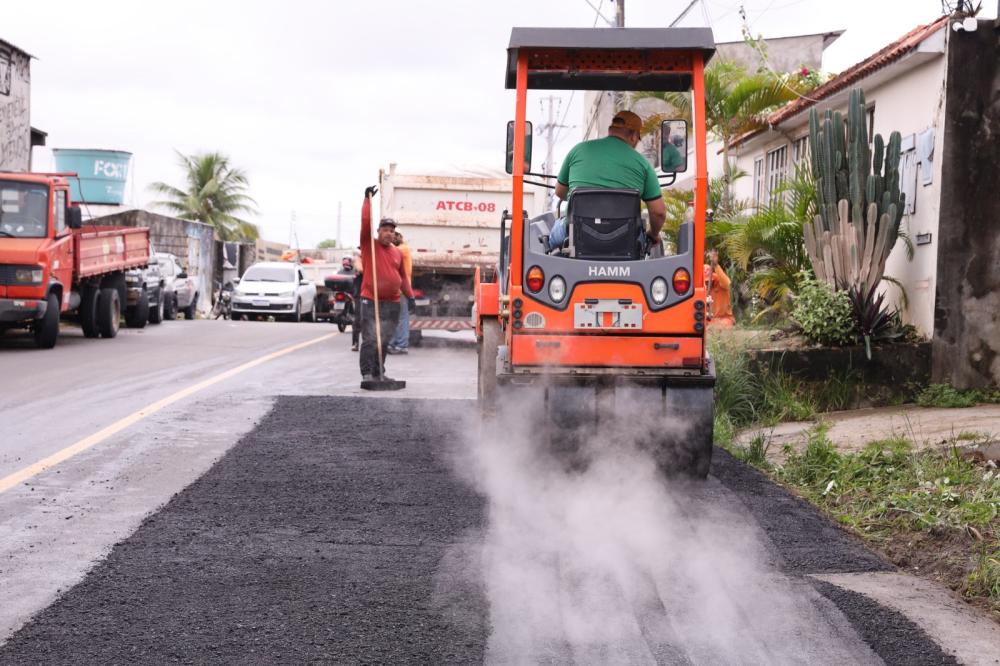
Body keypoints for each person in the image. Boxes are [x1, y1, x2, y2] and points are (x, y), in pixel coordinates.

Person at [547, 110, 667, 251]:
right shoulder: (643, 165)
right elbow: (658, 213)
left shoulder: (578, 150)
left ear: (611, 130)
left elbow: (560, 192)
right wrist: (653, 234)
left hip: (574, 237)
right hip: (627, 242)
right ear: (634, 136)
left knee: (551, 234)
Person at [358, 186, 415, 384]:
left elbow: (403, 278)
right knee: (370, 338)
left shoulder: (397, 252)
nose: (389, 233)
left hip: (392, 302)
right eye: (385, 230)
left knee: (384, 340)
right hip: (370, 299)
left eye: (392, 231)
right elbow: (366, 223)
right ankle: (367, 373)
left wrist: (411, 296)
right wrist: (367, 200)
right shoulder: (368, 245)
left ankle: (379, 372)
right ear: (378, 231)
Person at [388, 231, 413, 354]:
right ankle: (393, 343)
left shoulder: (403, 249)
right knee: (394, 317)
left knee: (401, 318)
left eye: (394, 235)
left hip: (402, 288)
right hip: (396, 288)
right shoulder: (400, 249)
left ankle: (402, 345)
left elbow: (391, 251)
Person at [704, 248, 734, 327]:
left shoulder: (721, 283)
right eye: (705, 282)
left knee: (721, 325)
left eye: (708, 281)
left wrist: (716, 265)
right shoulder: (703, 289)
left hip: (724, 319)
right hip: (709, 320)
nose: (707, 283)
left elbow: (727, 283)